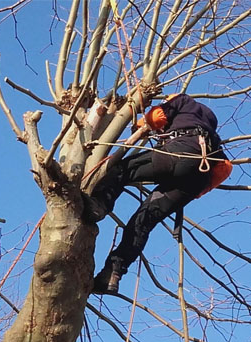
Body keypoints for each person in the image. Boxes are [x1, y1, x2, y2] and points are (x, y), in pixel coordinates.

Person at [84, 93, 232, 294]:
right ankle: (113, 272)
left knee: (120, 170)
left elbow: (157, 117)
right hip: (195, 180)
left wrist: (142, 125)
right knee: (143, 221)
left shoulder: (182, 100)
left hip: (179, 153)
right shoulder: (211, 136)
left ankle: (99, 205)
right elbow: (222, 171)